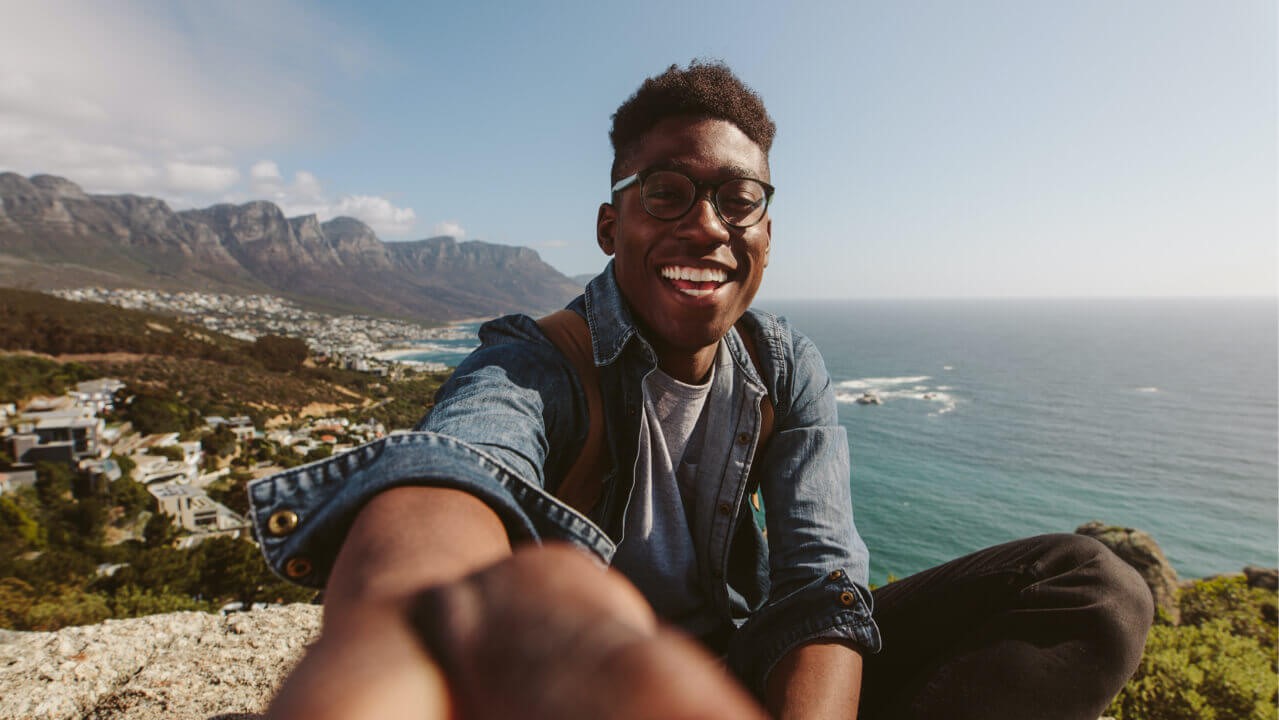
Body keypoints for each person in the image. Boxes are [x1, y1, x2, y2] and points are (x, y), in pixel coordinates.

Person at [251, 61, 1153, 720]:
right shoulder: (537, 359)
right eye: (669, 194)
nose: (707, 226)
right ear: (612, 225)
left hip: (745, 675)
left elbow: (820, 580)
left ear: (767, 230)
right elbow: (456, 473)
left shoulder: (784, 365)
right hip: (584, 692)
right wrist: (406, 626)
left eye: (738, 198)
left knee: (1091, 585)